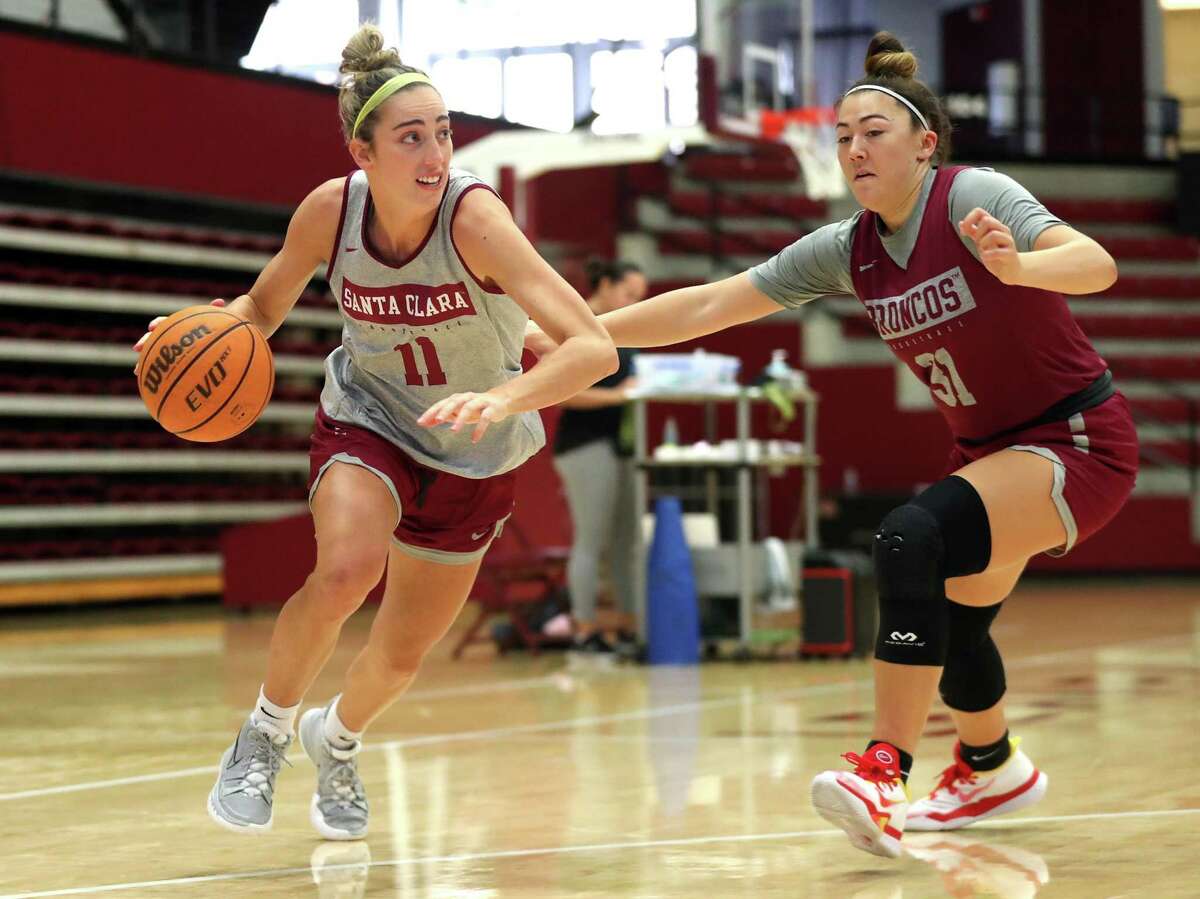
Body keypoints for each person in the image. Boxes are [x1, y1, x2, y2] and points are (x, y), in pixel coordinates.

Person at [527, 32, 1137, 858]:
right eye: (843, 135)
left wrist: (1024, 269)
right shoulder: (848, 248)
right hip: (995, 454)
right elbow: (708, 306)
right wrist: (579, 333)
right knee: (953, 626)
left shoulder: (968, 197)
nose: (853, 147)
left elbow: (1094, 264)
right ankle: (992, 763)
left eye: (873, 131)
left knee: (908, 537)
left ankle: (883, 774)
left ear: (925, 142)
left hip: (1076, 441)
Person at [134, 24, 616, 840]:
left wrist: (505, 399)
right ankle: (266, 731)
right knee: (347, 570)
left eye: (444, 134)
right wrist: (189, 330)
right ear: (363, 152)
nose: (435, 154)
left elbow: (592, 346)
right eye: (411, 137)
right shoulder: (330, 213)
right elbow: (259, 308)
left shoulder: (477, 220)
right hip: (370, 418)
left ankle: (339, 738)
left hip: (475, 448)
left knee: (399, 653)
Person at [552, 259, 647, 662]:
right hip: (583, 444)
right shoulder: (577, 323)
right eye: (628, 294)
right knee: (591, 540)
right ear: (605, 285)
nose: (634, 302)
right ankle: (584, 627)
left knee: (627, 541)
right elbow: (563, 391)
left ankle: (628, 625)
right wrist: (619, 395)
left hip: (620, 445)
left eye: (639, 298)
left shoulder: (623, 328)